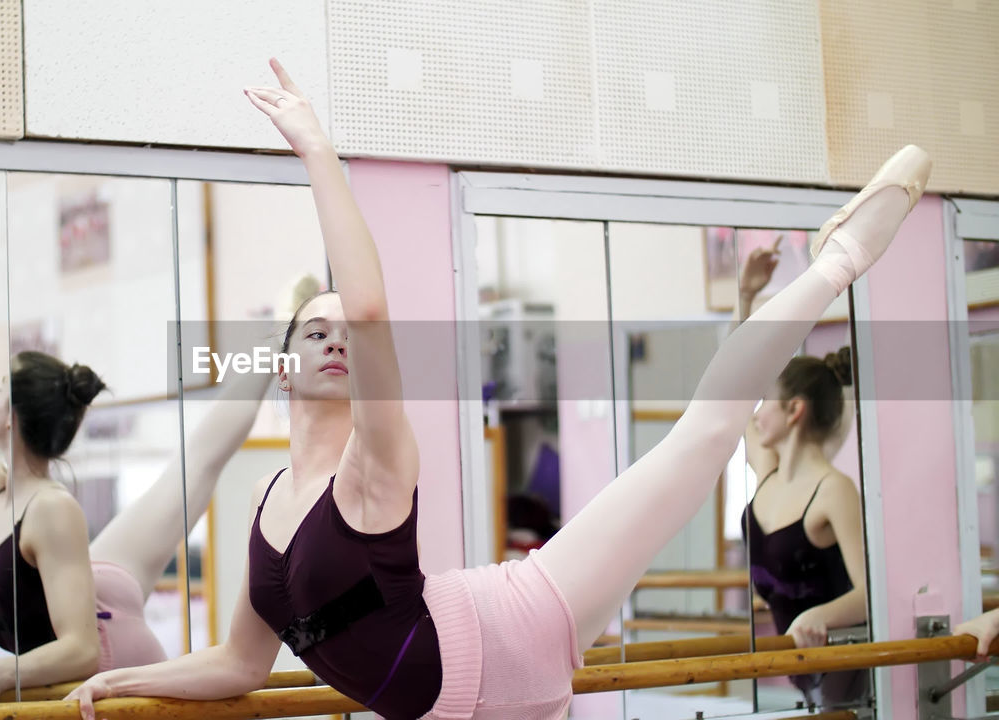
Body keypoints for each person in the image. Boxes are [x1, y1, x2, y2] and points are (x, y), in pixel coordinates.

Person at [64, 59, 932, 720]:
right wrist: (116, 678)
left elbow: (367, 307)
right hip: (451, 705)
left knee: (700, 441)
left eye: (342, 331)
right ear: (281, 363)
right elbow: (239, 666)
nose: (334, 337)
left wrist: (319, 152)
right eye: (310, 330)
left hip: (514, 622)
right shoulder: (265, 505)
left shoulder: (374, 460)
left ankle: (838, 265)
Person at [0, 202, 295, 704]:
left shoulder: (52, 510)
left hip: (110, 649)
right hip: (94, 583)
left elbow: (79, 650)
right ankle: (277, 337)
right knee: (193, 467)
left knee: (198, 464)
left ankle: (280, 334)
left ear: (12, 413)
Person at [737, 243, 869, 706]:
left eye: (766, 401)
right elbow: (735, 387)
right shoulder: (768, 474)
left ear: (794, 410)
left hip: (849, 674)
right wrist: (745, 297)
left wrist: (820, 615)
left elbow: (871, 596)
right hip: (803, 672)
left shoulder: (834, 491)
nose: (756, 413)